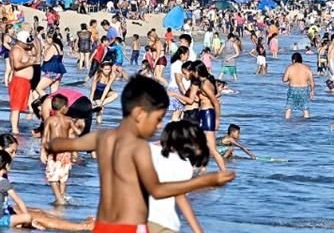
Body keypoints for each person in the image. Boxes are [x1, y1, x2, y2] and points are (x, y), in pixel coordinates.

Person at [46, 75, 234, 232]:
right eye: (158, 119)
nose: (159, 125)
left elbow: (62, 144)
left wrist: (53, 144)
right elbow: (157, 190)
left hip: (103, 226)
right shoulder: (139, 148)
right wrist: (206, 180)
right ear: (139, 114)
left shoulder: (103, 137)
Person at [148, 121, 209, 233]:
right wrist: (198, 230)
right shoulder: (182, 164)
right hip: (163, 223)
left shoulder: (146, 149)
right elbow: (179, 196)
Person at [40, 93, 78, 206]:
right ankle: (61, 196)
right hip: (65, 151)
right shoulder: (69, 120)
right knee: (62, 177)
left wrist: (42, 151)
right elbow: (75, 134)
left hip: (54, 151)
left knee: (52, 177)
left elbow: (45, 136)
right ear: (64, 107)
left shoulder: (50, 120)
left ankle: (59, 198)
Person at [7, 31, 34, 135]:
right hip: (19, 81)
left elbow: (34, 46)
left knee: (18, 107)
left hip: (24, 82)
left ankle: (15, 128)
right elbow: (17, 65)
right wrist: (29, 62)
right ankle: (14, 129)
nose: (28, 44)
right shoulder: (17, 50)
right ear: (21, 41)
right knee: (16, 107)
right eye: (26, 42)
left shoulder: (22, 48)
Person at [282, 52, 315, 120]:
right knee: (305, 108)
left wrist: (290, 78)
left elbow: (284, 79)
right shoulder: (307, 68)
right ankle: (307, 122)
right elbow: (312, 81)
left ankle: (286, 122)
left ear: (293, 60)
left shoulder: (290, 67)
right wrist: (312, 91)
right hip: (304, 89)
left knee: (289, 108)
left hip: (293, 89)